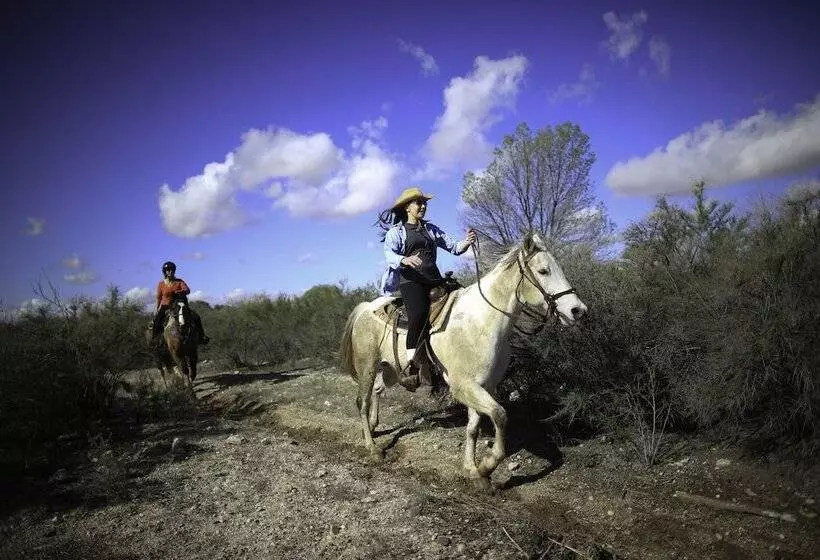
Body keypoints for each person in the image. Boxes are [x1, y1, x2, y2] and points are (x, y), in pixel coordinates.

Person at [377, 187, 477, 390]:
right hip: (411, 282)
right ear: (407, 207)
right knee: (419, 315)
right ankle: (412, 368)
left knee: (462, 304)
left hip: (434, 279)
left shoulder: (430, 229)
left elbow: (455, 248)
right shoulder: (396, 233)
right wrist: (404, 259)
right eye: (418, 203)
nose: (423, 206)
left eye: (424, 203)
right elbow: (389, 255)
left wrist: (466, 242)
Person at [151, 261, 210, 344]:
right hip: (165, 306)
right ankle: (155, 341)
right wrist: (157, 309)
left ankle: (201, 336)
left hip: (178, 305)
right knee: (157, 321)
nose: (170, 271)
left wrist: (180, 291)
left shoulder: (179, 281)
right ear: (165, 272)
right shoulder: (161, 284)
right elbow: (159, 298)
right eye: (168, 270)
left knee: (196, 317)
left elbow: (187, 290)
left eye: (172, 270)